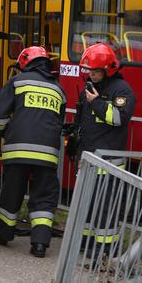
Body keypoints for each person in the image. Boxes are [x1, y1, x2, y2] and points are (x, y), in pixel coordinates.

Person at [0, 46, 66, 258]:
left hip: (17, 149)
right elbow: (59, 120)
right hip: (48, 153)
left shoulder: (18, 81)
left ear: (25, 62)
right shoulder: (57, 88)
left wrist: (2, 130)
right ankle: (40, 244)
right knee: (44, 197)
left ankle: (4, 233)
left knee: (12, 192)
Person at [73, 43, 137, 258]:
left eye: (95, 71)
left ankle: (106, 248)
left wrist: (97, 102)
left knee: (105, 209)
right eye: (89, 70)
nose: (91, 74)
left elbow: (118, 118)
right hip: (88, 159)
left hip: (108, 164)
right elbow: (83, 121)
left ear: (108, 69)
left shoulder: (122, 90)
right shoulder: (91, 88)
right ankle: (86, 242)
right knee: (87, 207)